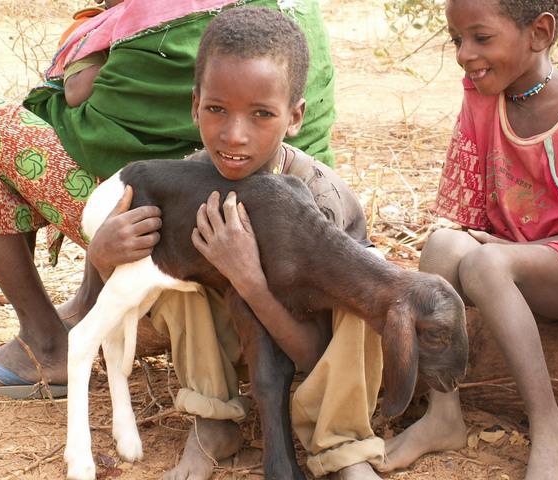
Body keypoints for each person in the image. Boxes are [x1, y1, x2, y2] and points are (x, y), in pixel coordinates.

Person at [0, 0, 336, 396]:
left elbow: (98, 131)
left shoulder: (158, 17)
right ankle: (90, 304)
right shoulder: (294, 15)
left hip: (193, 222)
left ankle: (46, 342)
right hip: (292, 197)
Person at [86, 7, 387, 480]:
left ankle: (344, 448)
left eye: (262, 114)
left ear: (295, 117)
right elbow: (131, 295)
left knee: (369, 289)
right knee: (164, 264)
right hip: (235, 347)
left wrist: (249, 279)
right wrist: (102, 255)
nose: (234, 135)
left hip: (317, 357)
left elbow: (316, 354)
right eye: (216, 109)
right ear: (194, 106)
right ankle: (214, 421)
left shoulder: (321, 204)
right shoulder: (187, 184)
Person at [381, 1, 558, 479]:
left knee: (484, 265)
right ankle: (443, 415)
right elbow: (476, 210)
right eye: (456, 38)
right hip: (517, 261)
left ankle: (550, 429)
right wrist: (500, 243)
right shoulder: (484, 97)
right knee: (443, 246)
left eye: (481, 38)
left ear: (539, 33)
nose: (464, 53)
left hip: (553, 268)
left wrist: (507, 252)